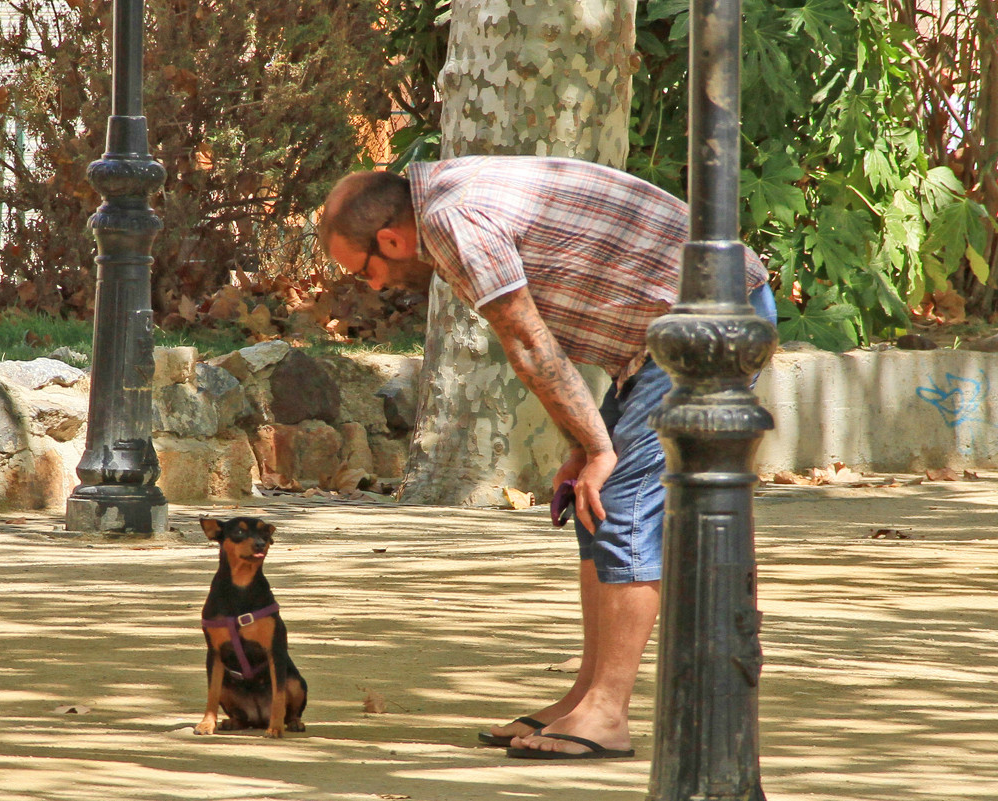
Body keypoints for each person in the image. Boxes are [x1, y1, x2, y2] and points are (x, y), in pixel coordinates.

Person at [318, 156, 775, 760]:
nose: (372, 286)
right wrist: (581, 444)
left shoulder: (454, 218)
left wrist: (600, 447)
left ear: (391, 239)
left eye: (365, 271)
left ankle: (608, 714)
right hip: (666, 333)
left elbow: (529, 344)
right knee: (594, 505)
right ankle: (585, 697)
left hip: (711, 318)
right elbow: (548, 335)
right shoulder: (447, 197)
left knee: (622, 505)